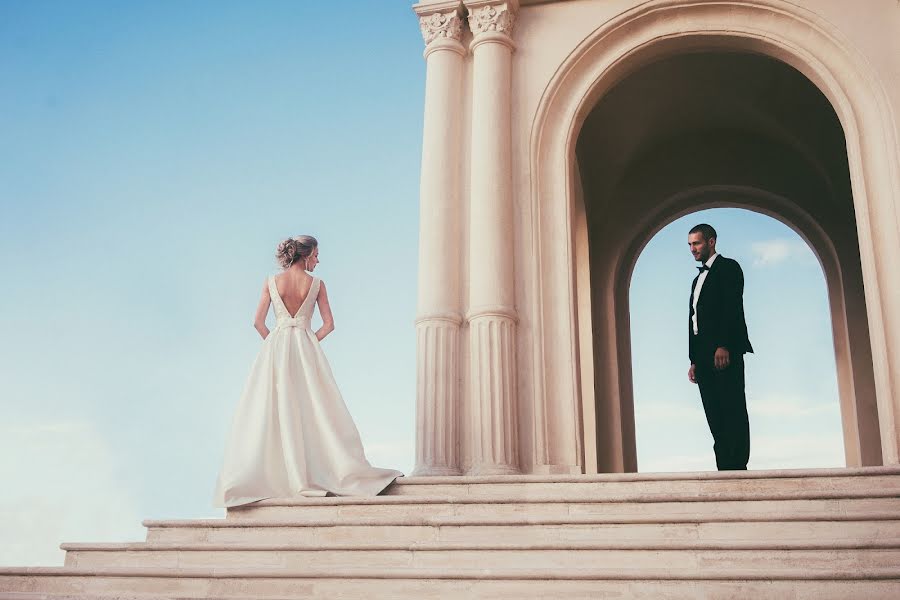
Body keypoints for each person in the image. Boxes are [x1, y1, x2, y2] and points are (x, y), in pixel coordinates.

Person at [213, 235, 402, 507]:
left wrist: (276, 344)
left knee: (273, 409)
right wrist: (306, 339)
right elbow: (329, 325)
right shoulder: (317, 284)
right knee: (315, 408)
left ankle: (279, 474)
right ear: (306, 254)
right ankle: (325, 470)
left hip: (276, 350)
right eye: (316, 254)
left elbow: (257, 322)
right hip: (305, 348)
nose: (318, 260)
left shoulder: (271, 282)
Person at [687, 224, 753, 471]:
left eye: (697, 243)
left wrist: (724, 344)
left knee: (732, 407)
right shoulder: (696, 280)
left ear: (711, 242)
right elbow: (693, 320)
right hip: (702, 357)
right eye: (690, 245)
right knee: (714, 412)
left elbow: (732, 308)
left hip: (724, 352)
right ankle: (725, 467)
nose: (693, 249)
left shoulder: (729, 268)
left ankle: (738, 465)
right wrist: (693, 359)